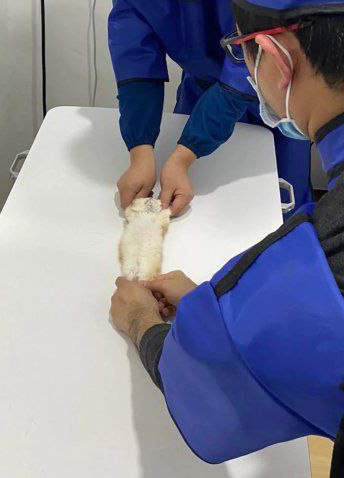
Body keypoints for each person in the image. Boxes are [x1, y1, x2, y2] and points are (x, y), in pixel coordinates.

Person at [110, 0, 344, 475]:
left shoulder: (324, 262)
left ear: (276, 57)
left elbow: (207, 387)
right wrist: (142, 149)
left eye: (243, 53)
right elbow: (135, 52)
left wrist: (140, 321)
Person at [108, 0, 312, 218]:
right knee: (193, 212)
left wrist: (183, 156)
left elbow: (255, 54)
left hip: (275, 94)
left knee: (274, 209)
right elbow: (135, 53)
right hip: (200, 91)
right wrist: (141, 151)